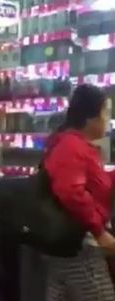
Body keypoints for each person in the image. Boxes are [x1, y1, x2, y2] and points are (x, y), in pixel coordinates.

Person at [43, 84, 115, 301]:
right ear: (90, 117)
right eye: (105, 112)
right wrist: (99, 232)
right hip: (80, 245)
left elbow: (93, 184)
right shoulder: (71, 147)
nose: (107, 119)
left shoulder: (77, 145)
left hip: (73, 244)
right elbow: (71, 192)